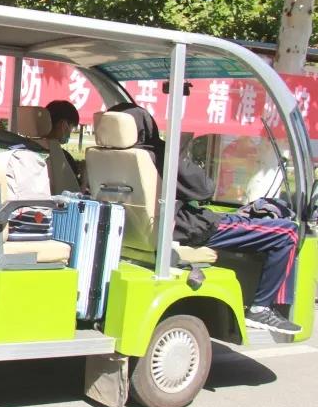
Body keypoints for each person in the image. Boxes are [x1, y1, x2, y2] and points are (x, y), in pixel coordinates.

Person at [110, 104, 301, 334]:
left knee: (238, 220)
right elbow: (204, 189)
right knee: (287, 231)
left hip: (141, 230)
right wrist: (172, 151)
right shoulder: (157, 154)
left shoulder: (108, 156)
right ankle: (261, 308)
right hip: (187, 227)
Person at [44, 99, 82, 181]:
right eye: (72, 128)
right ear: (64, 126)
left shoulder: (24, 151)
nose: (70, 133)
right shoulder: (64, 158)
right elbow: (74, 188)